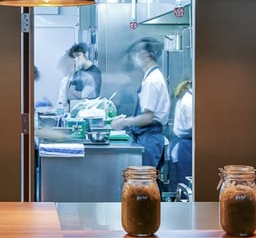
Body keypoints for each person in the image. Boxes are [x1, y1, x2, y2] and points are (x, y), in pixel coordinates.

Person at [110, 37, 170, 169]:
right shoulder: (151, 77)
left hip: (149, 139)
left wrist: (123, 122)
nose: (136, 56)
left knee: (144, 185)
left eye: (138, 52)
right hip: (149, 138)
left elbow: (147, 118)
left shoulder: (152, 81)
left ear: (147, 56)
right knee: (146, 184)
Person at [170, 79, 193, 193]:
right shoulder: (189, 101)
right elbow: (192, 127)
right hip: (185, 147)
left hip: (184, 145)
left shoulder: (187, 97)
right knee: (186, 187)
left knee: (183, 184)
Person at [62, 43, 102, 107]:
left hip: (90, 109)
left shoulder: (94, 73)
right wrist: (78, 94)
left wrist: (75, 92)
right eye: (74, 57)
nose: (76, 59)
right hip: (75, 107)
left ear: (85, 54)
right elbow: (69, 93)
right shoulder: (77, 73)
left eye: (78, 55)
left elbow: (84, 95)